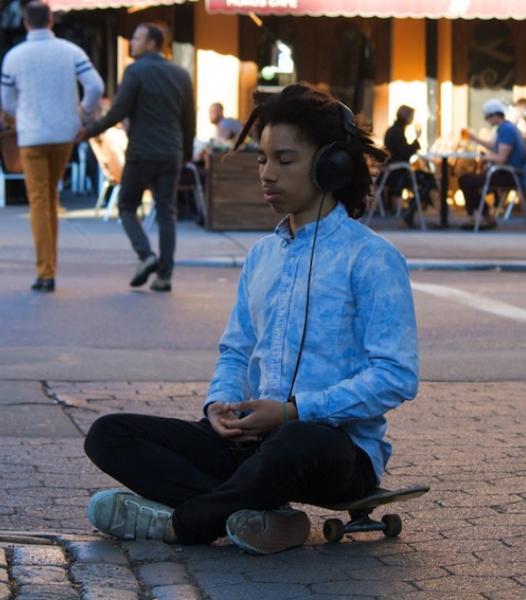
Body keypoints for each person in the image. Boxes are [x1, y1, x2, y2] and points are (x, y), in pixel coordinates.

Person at [83, 83, 419, 554]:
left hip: (331, 452)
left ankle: (184, 522)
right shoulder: (261, 256)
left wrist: (292, 411)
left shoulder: (373, 259)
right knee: (109, 435)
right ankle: (258, 517)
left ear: (330, 165)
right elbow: (236, 350)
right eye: (262, 159)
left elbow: (396, 376)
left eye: (284, 160)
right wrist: (219, 407)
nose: (267, 173)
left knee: (299, 440)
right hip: (249, 445)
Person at [81, 23, 195, 292]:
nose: (131, 42)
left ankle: (146, 255)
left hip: (142, 151)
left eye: (136, 38)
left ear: (153, 43)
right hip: (171, 152)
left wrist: (89, 131)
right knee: (167, 212)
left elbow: (117, 112)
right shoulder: (181, 74)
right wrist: (185, 154)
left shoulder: (135, 71)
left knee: (127, 206)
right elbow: (188, 121)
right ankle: (165, 276)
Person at [0, 1, 103, 292]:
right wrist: (81, 114)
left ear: (25, 23)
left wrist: (22, 114)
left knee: (39, 202)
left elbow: (6, 102)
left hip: (32, 136)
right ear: (51, 21)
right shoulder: (71, 51)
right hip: (64, 134)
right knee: (50, 198)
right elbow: (95, 87)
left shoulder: (14, 57)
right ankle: (49, 266)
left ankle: (45, 271)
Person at [459, 98, 526, 230]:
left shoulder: (507, 130)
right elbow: (495, 147)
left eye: (488, 117)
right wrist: (475, 139)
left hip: (509, 174)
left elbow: (501, 158)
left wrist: (485, 158)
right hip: (504, 171)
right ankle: (484, 216)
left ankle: (482, 217)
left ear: (496, 115)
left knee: (466, 180)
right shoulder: (504, 128)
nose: (487, 120)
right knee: (467, 180)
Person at [382, 105, 436, 227]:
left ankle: (411, 213)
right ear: (406, 117)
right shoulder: (396, 132)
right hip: (397, 175)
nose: (412, 119)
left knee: (427, 179)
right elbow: (405, 153)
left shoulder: (396, 130)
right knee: (428, 180)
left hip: (396, 172)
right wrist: (417, 139)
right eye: (412, 116)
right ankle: (409, 214)